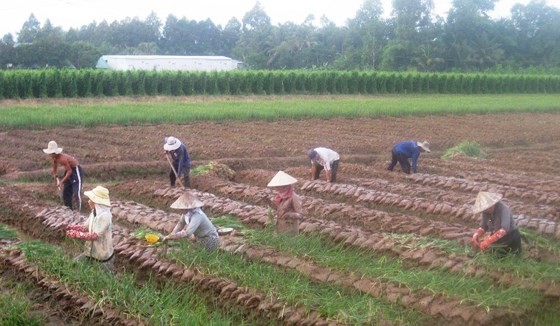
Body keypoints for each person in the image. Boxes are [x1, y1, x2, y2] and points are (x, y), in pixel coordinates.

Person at [66, 185, 114, 270]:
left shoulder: (105, 216)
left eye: (91, 200)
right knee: (73, 265)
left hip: (102, 257)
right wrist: (72, 227)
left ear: (97, 202)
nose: (88, 201)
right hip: (91, 253)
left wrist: (77, 234)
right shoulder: (94, 212)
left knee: (101, 279)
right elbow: (85, 227)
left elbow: (95, 236)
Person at [471, 191, 522, 256]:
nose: (485, 210)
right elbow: (484, 226)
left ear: (491, 204)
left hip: (511, 236)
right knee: (494, 255)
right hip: (497, 236)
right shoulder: (485, 212)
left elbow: (504, 229)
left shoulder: (504, 209)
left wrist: (487, 241)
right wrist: (476, 234)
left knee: (512, 256)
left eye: (486, 208)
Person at [43, 140, 84, 211]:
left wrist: (61, 182)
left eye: (51, 153)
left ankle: (78, 211)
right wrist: (54, 174)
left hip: (75, 170)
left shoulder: (62, 159)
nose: (50, 155)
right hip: (68, 170)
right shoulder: (54, 158)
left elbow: (70, 171)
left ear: (55, 153)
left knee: (76, 192)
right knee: (66, 192)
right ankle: (69, 209)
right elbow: (55, 166)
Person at [267, 171, 304, 235]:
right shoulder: (279, 196)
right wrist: (270, 203)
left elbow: (300, 215)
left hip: (290, 228)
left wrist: (289, 214)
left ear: (285, 186)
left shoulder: (293, 197)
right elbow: (279, 209)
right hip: (280, 226)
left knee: (289, 244)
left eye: (278, 187)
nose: (276, 188)